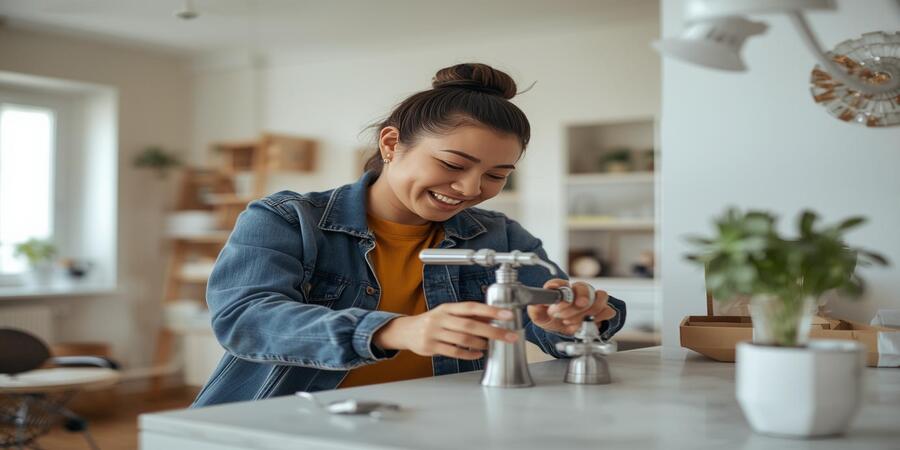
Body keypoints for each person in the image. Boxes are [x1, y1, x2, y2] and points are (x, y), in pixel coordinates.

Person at [192, 63, 626, 407]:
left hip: (432, 427)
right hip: (282, 424)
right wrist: (393, 331)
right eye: (454, 165)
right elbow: (245, 319)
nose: (471, 189)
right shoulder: (287, 219)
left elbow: (558, 321)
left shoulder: (500, 235)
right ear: (390, 144)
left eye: (496, 175)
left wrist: (577, 315)